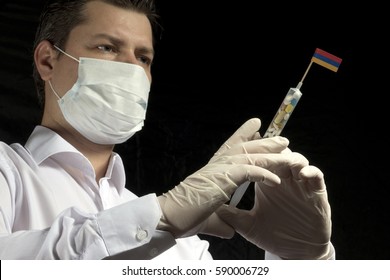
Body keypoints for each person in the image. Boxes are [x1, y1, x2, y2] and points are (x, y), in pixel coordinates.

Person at [0, 0, 334, 260]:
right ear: (47, 60)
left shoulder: (182, 246)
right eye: (107, 47)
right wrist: (162, 219)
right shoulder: (8, 173)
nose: (132, 67)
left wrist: (304, 258)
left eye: (143, 57)